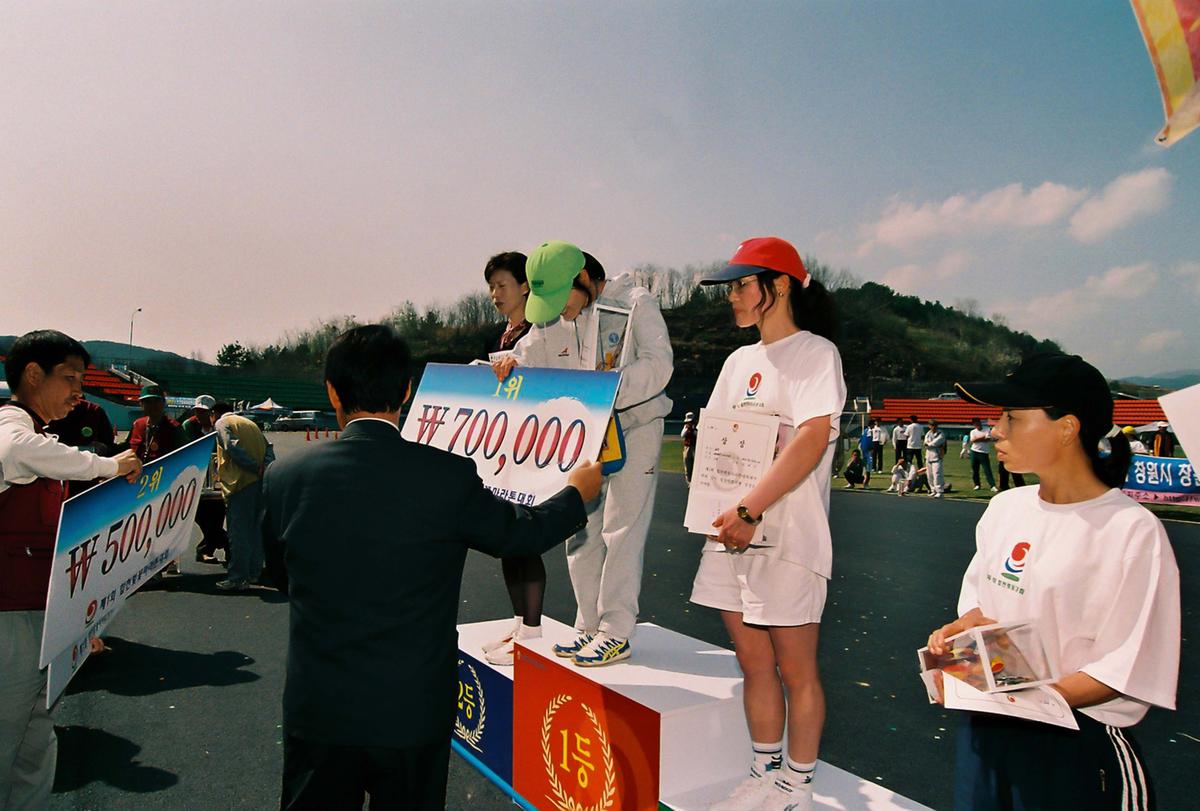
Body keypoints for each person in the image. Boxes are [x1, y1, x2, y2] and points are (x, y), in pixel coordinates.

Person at [261, 325, 600, 810]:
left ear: (332, 392)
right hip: (411, 713)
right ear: (406, 391)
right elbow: (520, 535)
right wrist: (575, 495)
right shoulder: (446, 475)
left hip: (320, 710)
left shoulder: (284, 478)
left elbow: (281, 576)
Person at [928, 352, 1179, 810]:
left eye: (1011, 417)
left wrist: (1028, 704)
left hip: (1075, 744)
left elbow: (1124, 667)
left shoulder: (1131, 530)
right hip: (988, 736)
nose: (995, 430)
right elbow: (981, 612)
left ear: (1067, 428)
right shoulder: (1005, 508)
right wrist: (956, 641)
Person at [688, 237, 845, 811]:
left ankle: (796, 786)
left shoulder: (815, 353)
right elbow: (718, 442)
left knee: (796, 669)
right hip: (731, 536)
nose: (732, 297)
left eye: (741, 285)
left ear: (779, 285)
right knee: (753, 663)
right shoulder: (738, 362)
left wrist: (750, 509)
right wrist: (717, 507)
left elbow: (811, 437)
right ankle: (763, 773)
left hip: (786, 536)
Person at [497, 242, 673, 667]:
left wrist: (608, 388)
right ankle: (588, 624)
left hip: (634, 426)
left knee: (621, 528)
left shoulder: (636, 302)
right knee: (581, 531)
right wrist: (507, 363)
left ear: (583, 278)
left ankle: (616, 630)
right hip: (584, 437)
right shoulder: (550, 321)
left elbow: (659, 364)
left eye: (563, 297)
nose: (559, 310)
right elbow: (524, 357)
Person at [1, 331, 141, 810]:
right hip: (9, 619)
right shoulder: (10, 426)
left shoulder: (41, 436)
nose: (79, 391)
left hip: (40, 618)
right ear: (32, 375)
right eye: (70, 378)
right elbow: (15, 453)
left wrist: (78, 623)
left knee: (36, 742)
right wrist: (106, 466)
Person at [475, 251, 546, 666]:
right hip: (502, 450)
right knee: (507, 538)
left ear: (525, 286)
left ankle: (532, 632)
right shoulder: (498, 337)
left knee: (525, 538)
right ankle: (520, 624)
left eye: (502, 285)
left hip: (531, 449)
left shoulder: (542, 331)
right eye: (491, 287)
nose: (495, 294)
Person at [212, 402, 274, 591]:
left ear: (215, 413)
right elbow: (268, 447)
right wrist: (265, 468)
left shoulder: (222, 423)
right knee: (256, 531)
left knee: (239, 533)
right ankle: (254, 572)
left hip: (240, 483)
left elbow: (232, 447)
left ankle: (238, 578)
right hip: (260, 482)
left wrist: (253, 467)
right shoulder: (250, 424)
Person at [46, 396, 117, 495]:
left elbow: (108, 446)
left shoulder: (93, 411)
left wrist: (101, 450)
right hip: (49, 484)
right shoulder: (42, 412)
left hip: (85, 486)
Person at [128, 384, 183, 463]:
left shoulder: (174, 427)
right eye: (148, 402)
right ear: (141, 404)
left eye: (156, 401)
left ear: (164, 402)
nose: (152, 405)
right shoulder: (137, 424)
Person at [968, 417, 997, 492]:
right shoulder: (973, 432)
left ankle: (992, 485)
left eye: (978, 422)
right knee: (975, 469)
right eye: (975, 423)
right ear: (974, 424)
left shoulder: (987, 429)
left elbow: (988, 439)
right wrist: (983, 437)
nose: (977, 424)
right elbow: (973, 440)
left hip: (984, 452)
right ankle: (977, 484)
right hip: (974, 451)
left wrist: (979, 439)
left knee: (987, 470)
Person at [923, 419, 947, 498]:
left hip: (937, 456)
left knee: (937, 474)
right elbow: (925, 442)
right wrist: (928, 444)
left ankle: (940, 491)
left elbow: (936, 442)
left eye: (934, 425)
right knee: (929, 475)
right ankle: (933, 490)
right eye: (931, 425)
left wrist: (929, 444)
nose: (933, 427)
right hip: (928, 456)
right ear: (929, 426)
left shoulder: (941, 434)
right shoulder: (928, 433)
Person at [681, 411, 697, 484]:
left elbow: (697, 435)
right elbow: (682, 435)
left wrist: (694, 429)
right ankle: (689, 482)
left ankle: (695, 482)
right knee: (687, 466)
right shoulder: (686, 427)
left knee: (695, 466)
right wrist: (688, 429)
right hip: (687, 448)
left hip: (695, 447)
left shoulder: (697, 427)